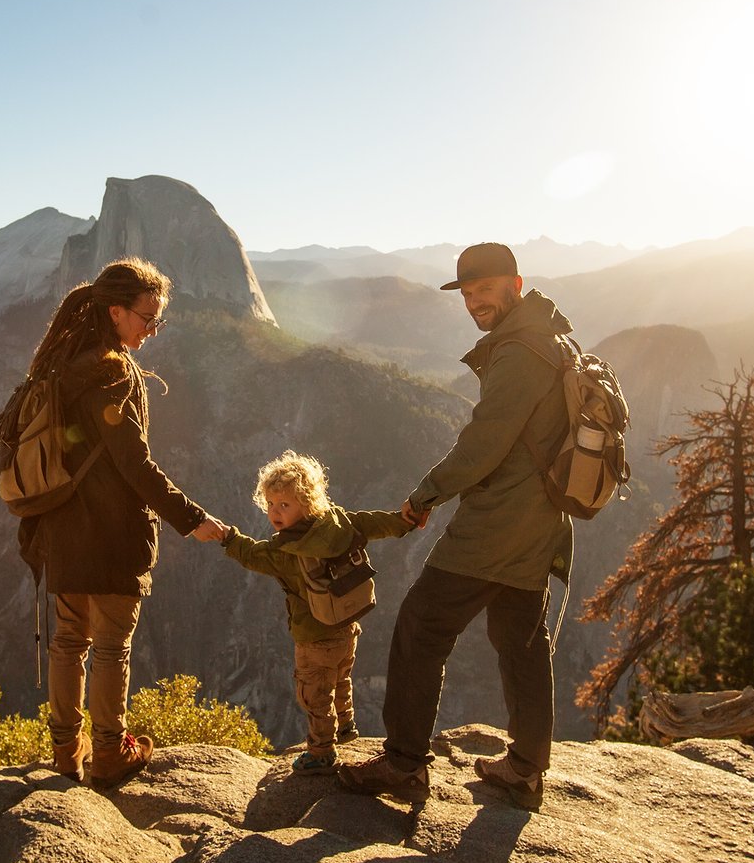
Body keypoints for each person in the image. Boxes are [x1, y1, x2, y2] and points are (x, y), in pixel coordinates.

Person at [337, 242, 574, 811]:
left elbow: (485, 441)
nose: (474, 303)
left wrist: (426, 494)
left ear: (516, 284)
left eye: (484, 290)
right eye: (467, 294)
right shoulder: (553, 337)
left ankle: (403, 765)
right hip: (541, 519)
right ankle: (524, 769)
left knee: (422, 626)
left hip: (499, 521)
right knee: (520, 638)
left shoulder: (522, 351)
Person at [17, 258, 228, 789]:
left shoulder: (62, 364)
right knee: (110, 645)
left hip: (62, 529)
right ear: (115, 311)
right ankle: (110, 752)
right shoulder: (110, 373)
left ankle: (66, 751)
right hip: (109, 533)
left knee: (68, 641)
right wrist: (191, 518)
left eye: (158, 319)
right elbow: (135, 465)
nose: (152, 329)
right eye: (146, 317)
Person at [216, 451, 416, 773]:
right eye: (270, 504)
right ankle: (346, 727)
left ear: (306, 502)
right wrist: (403, 522)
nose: (274, 512)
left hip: (313, 638)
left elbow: (253, 556)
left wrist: (229, 538)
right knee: (341, 678)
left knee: (314, 694)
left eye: (284, 505)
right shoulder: (340, 524)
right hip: (348, 626)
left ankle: (322, 752)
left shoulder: (287, 551)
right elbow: (374, 524)